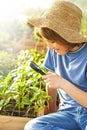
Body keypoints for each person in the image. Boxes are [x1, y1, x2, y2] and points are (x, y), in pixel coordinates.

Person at [24, 0, 87, 130]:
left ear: (67, 37)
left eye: (52, 41)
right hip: (67, 115)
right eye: (47, 42)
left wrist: (63, 83)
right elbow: (51, 85)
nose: (49, 47)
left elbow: (59, 83)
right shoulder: (54, 52)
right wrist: (52, 112)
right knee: (33, 126)